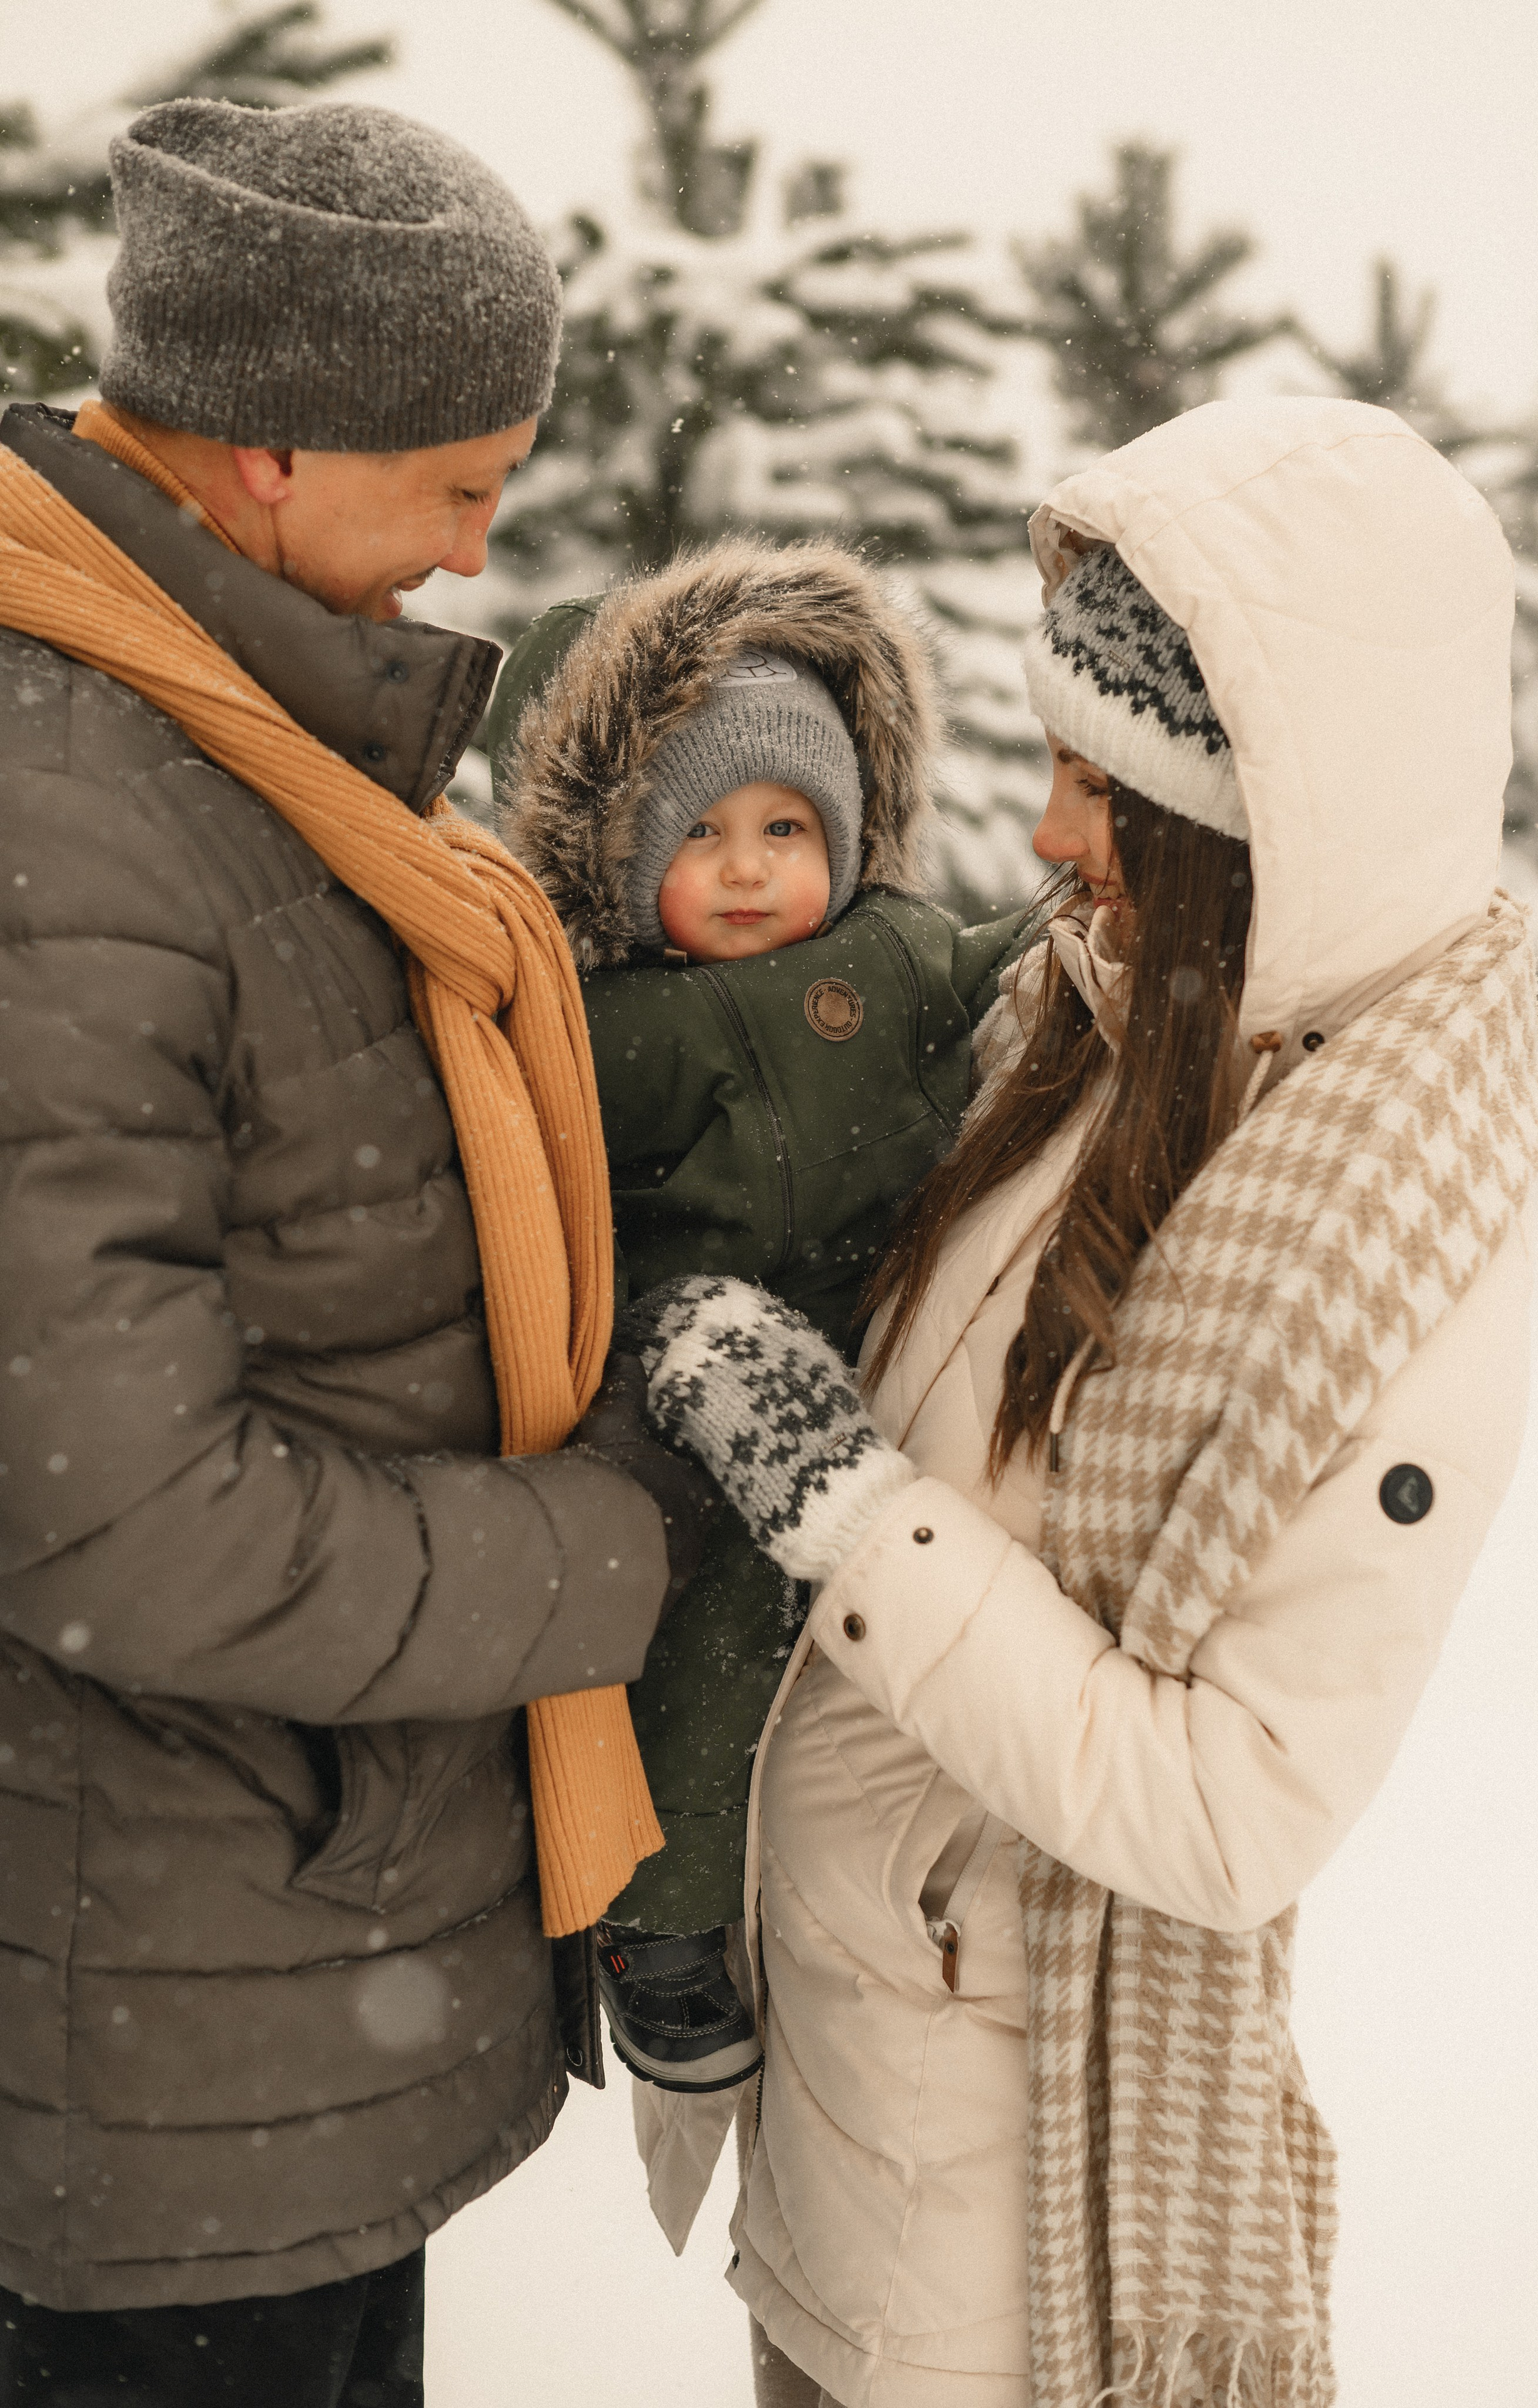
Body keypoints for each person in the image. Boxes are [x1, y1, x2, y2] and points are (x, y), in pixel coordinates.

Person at [619, 397, 1538, 2407]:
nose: (1046, 836)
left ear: (1255, 820)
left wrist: (842, 1504)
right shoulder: (1089, 1012)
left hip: (1019, 2228)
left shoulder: (1388, 1225)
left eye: (1096, 782)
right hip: (850, 2089)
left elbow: (1227, 1815)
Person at [0, 98, 716, 2405]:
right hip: (157, 2040)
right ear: (277, 446)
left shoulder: (238, 746)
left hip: (257, 1988)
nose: (475, 549)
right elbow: (112, 1507)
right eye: (463, 484)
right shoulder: (72, 816)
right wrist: (597, 1549)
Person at [489, 540, 1030, 2093]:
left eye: (785, 828)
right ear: (614, 857)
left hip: (877, 1343)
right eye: (699, 833)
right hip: (683, 1374)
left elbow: (1017, 977)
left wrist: (1092, 945)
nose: (746, 868)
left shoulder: (898, 956)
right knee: (706, 1620)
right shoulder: (596, 1022)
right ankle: (656, 1922)